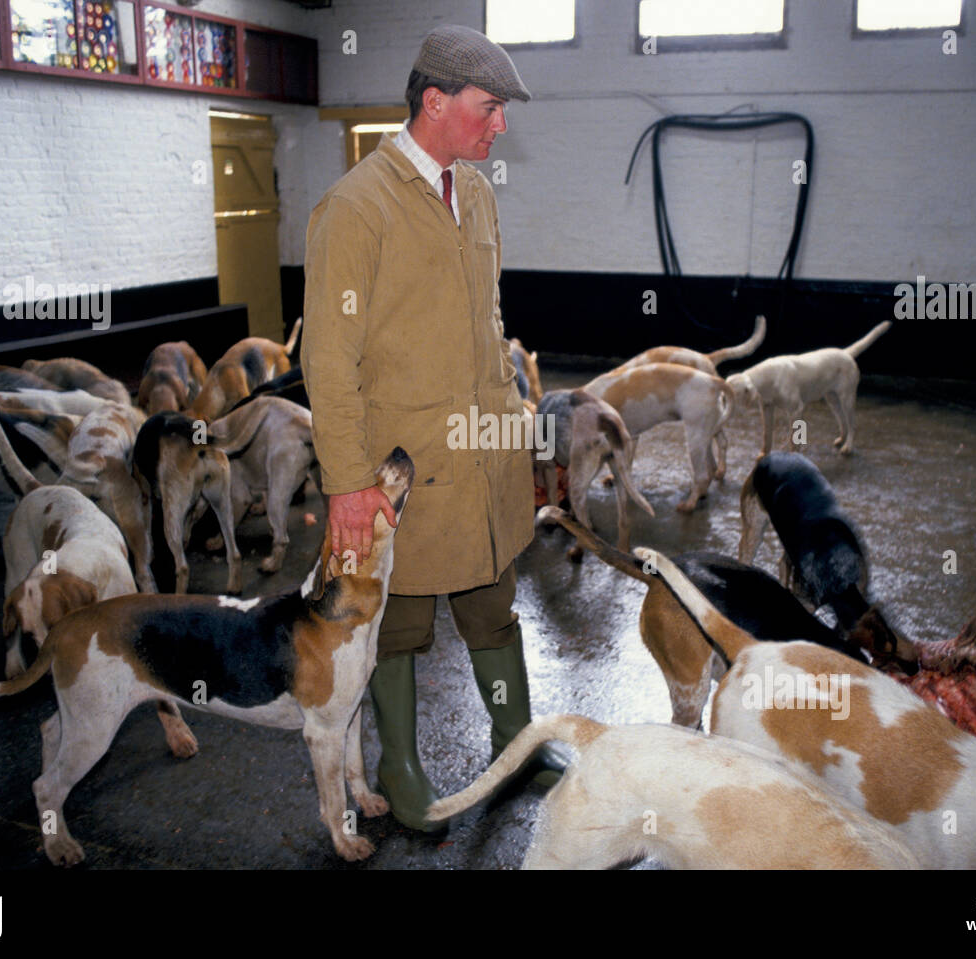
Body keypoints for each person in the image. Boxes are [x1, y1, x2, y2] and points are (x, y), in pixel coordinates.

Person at [300, 24, 566, 832]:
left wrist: (513, 431)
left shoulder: (477, 194)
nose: (501, 126)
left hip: (482, 460)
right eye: (490, 108)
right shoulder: (355, 207)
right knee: (401, 627)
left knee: (494, 604)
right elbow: (328, 358)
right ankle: (401, 767)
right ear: (435, 101)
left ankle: (513, 738)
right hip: (404, 470)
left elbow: (487, 322)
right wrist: (347, 483)